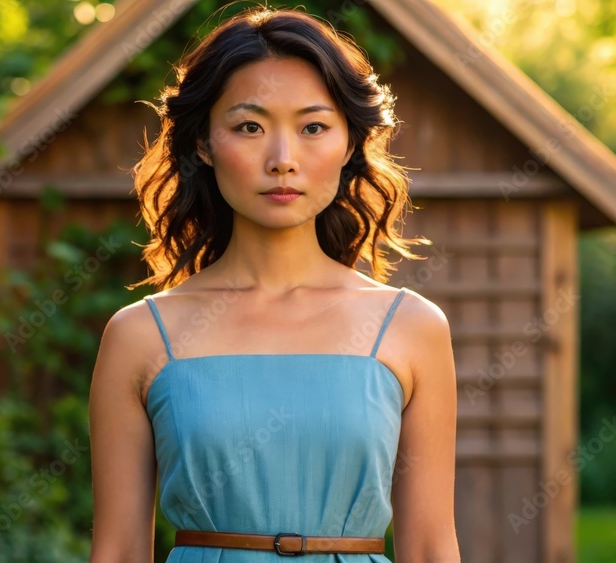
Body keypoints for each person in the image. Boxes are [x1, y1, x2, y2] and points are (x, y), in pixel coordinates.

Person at [89, 6, 459, 562]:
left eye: (313, 127)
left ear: (351, 143)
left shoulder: (411, 327)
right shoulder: (140, 335)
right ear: (204, 144)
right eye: (249, 127)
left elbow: (430, 546)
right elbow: (117, 550)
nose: (283, 160)